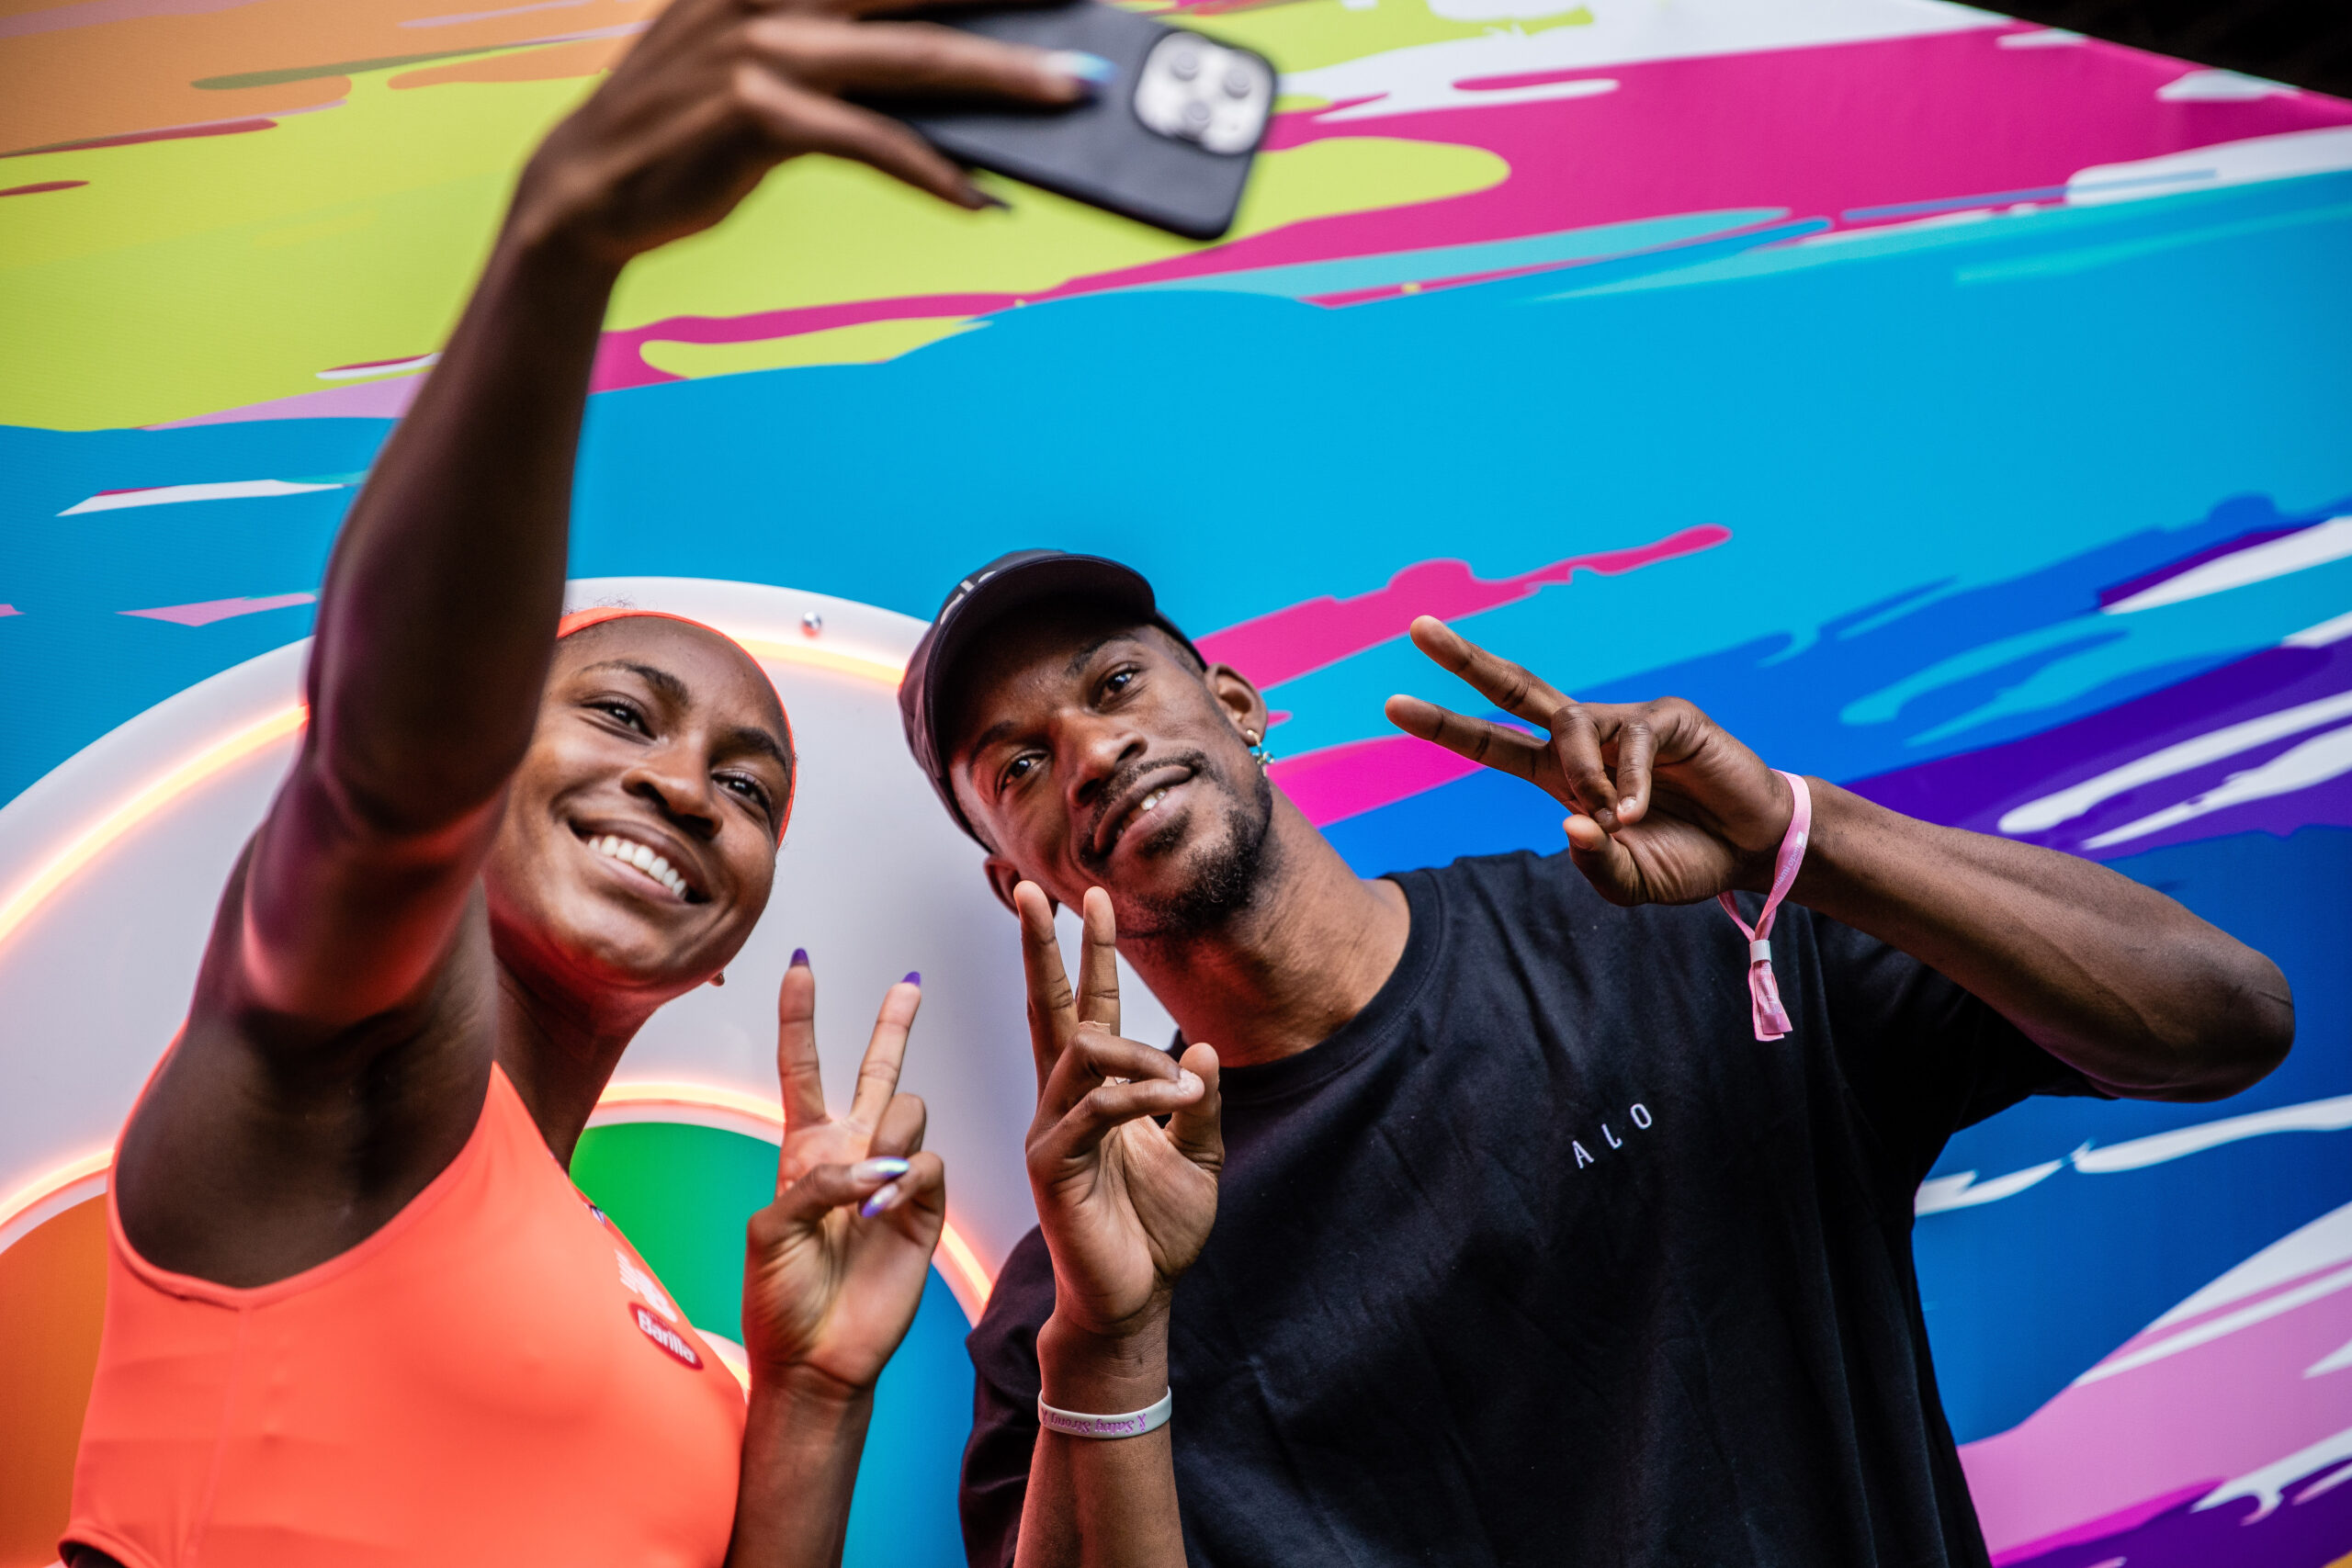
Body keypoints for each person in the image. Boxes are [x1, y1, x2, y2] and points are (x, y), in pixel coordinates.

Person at [62, 6, 1102, 1564]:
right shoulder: (332, 1087)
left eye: (751, 791)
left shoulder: (662, 1317)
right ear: (485, 760)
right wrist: (567, 237)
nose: (688, 789)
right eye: (621, 713)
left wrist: (813, 1394)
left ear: (732, 932)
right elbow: (385, 775)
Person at [895, 549, 2298, 1568]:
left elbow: (2225, 1019)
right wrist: (1119, 1337)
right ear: (1007, 876)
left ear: (1242, 705)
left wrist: (1800, 842)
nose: (1088, 750)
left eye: (1117, 681)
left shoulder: (1672, 938)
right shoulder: (1074, 1303)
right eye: (1014, 767)